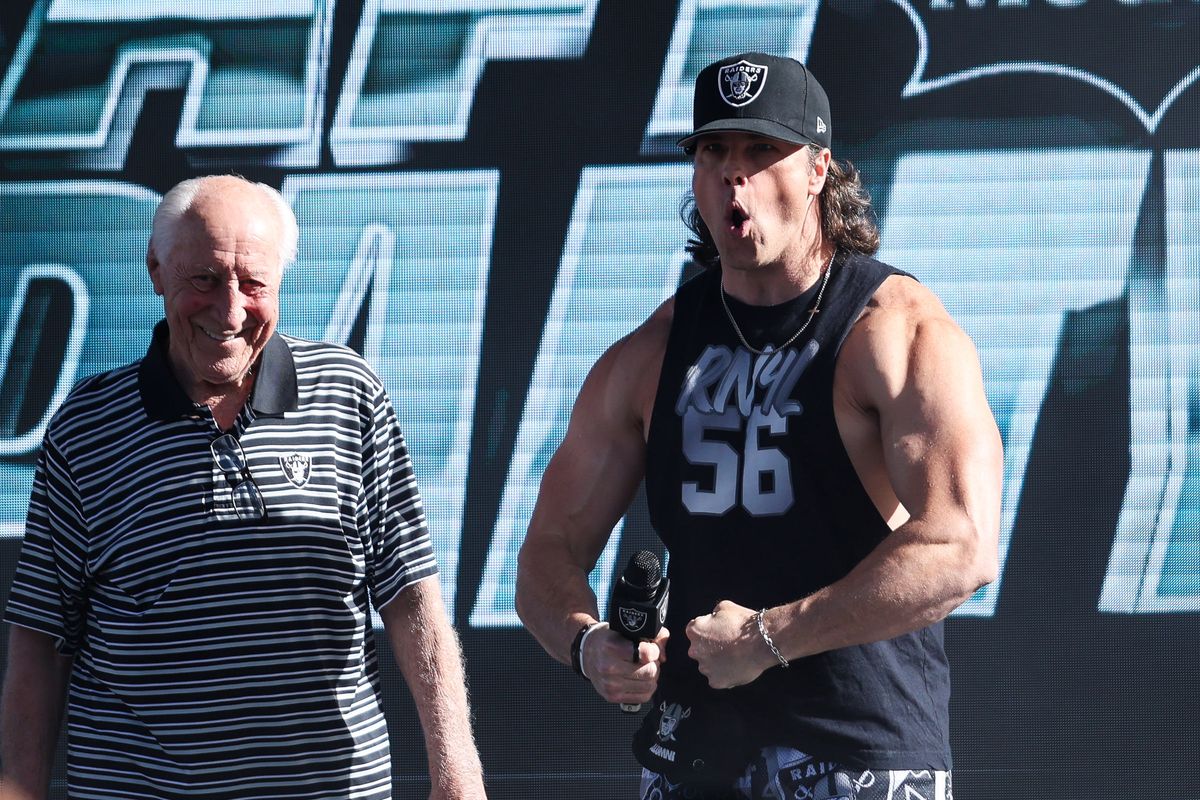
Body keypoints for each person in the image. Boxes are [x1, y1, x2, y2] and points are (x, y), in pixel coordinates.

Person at [515, 52, 1001, 799]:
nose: (733, 176)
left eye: (762, 151)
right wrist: (590, 646)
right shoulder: (654, 352)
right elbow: (547, 551)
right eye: (714, 151)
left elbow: (960, 546)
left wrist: (769, 639)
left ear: (817, 171)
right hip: (695, 754)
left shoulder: (895, 332)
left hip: (858, 752)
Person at [0, 175, 487, 800]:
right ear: (156, 270)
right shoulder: (89, 426)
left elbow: (411, 596)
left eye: (253, 283)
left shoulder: (349, 395)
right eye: (203, 278)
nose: (230, 310)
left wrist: (457, 773)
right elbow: (42, 636)